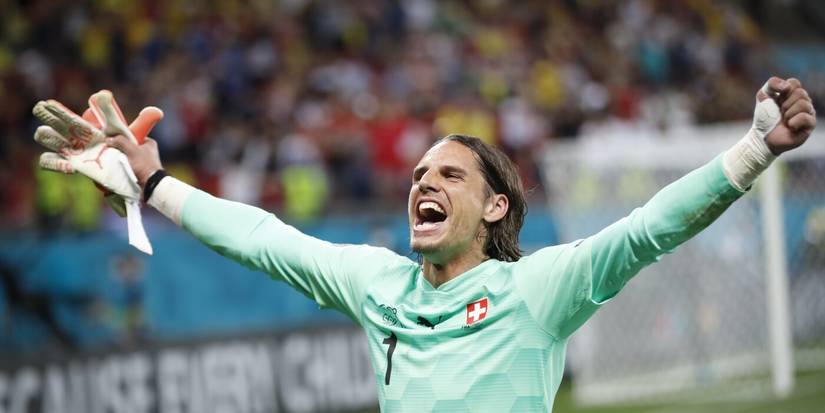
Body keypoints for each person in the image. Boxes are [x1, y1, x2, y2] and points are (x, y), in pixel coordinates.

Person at [37, 77, 816, 412]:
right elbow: (265, 239)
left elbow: (647, 228)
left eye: (448, 174)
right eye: (417, 174)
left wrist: (754, 151)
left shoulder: (536, 290)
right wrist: (154, 181)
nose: (422, 183)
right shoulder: (376, 283)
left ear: (494, 206)